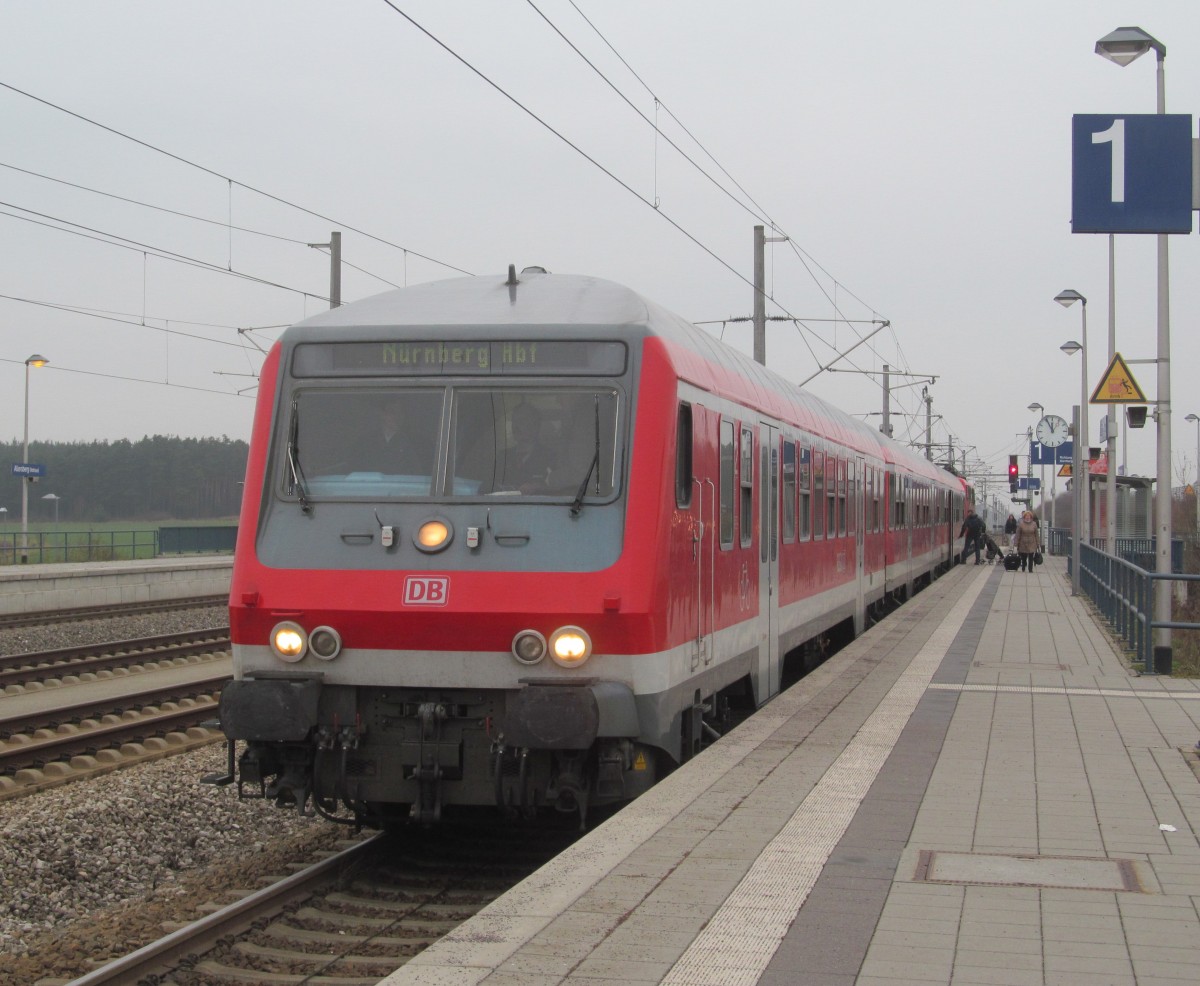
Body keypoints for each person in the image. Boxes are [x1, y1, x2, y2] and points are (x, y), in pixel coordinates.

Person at [502, 403, 552, 493]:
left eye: (522, 421)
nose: (516, 426)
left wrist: (539, 487)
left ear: (535, 425)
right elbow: (486, 488)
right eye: (514, 421)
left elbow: (558, 490)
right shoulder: (502, 457)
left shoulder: (550, 456)